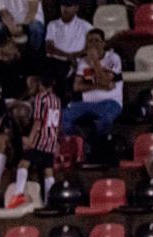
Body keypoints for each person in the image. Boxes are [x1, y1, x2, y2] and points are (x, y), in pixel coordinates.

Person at [61, 28, 122, 158]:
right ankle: (77, 143)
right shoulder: (83, 61)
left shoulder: (113, 58)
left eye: (97, 41)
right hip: (86, 103)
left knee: (105, 120)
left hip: (110, 103)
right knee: (62, 116)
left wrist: (95, 62)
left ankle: (92, 144)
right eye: (90, 41)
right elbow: (77, 86)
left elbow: (105, 81)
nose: (93, 44)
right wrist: (102, 86)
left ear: (103, 43)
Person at [8, 73, 60, 208]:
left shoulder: (40, 98)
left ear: (40, 84)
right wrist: (56, 140)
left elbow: (38, 121)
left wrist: (30, 139)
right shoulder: (57, 100)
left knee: (23, 164)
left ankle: (18, 194)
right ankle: (50, 202)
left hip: (40, 138)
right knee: (48, 170)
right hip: (51, 139)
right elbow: (58, 122)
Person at [44, 0, 91, 93]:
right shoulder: (52, 25)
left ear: (76, 7)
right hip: (56, 63)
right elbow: (49, 47)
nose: (65, 8)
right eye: (63, 5)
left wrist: (75, 56)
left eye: (69, 5)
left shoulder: (86, 26)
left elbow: (90, 47)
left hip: (77, 62)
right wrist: (68, 56)